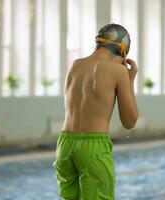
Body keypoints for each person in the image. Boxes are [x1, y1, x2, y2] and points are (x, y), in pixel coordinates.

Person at [53, 23, 138, 200]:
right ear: (123, 52)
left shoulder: (75, 65)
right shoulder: (118, 70)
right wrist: (130, 81)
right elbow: (130, 121)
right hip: (93, 149)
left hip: (64, 146)